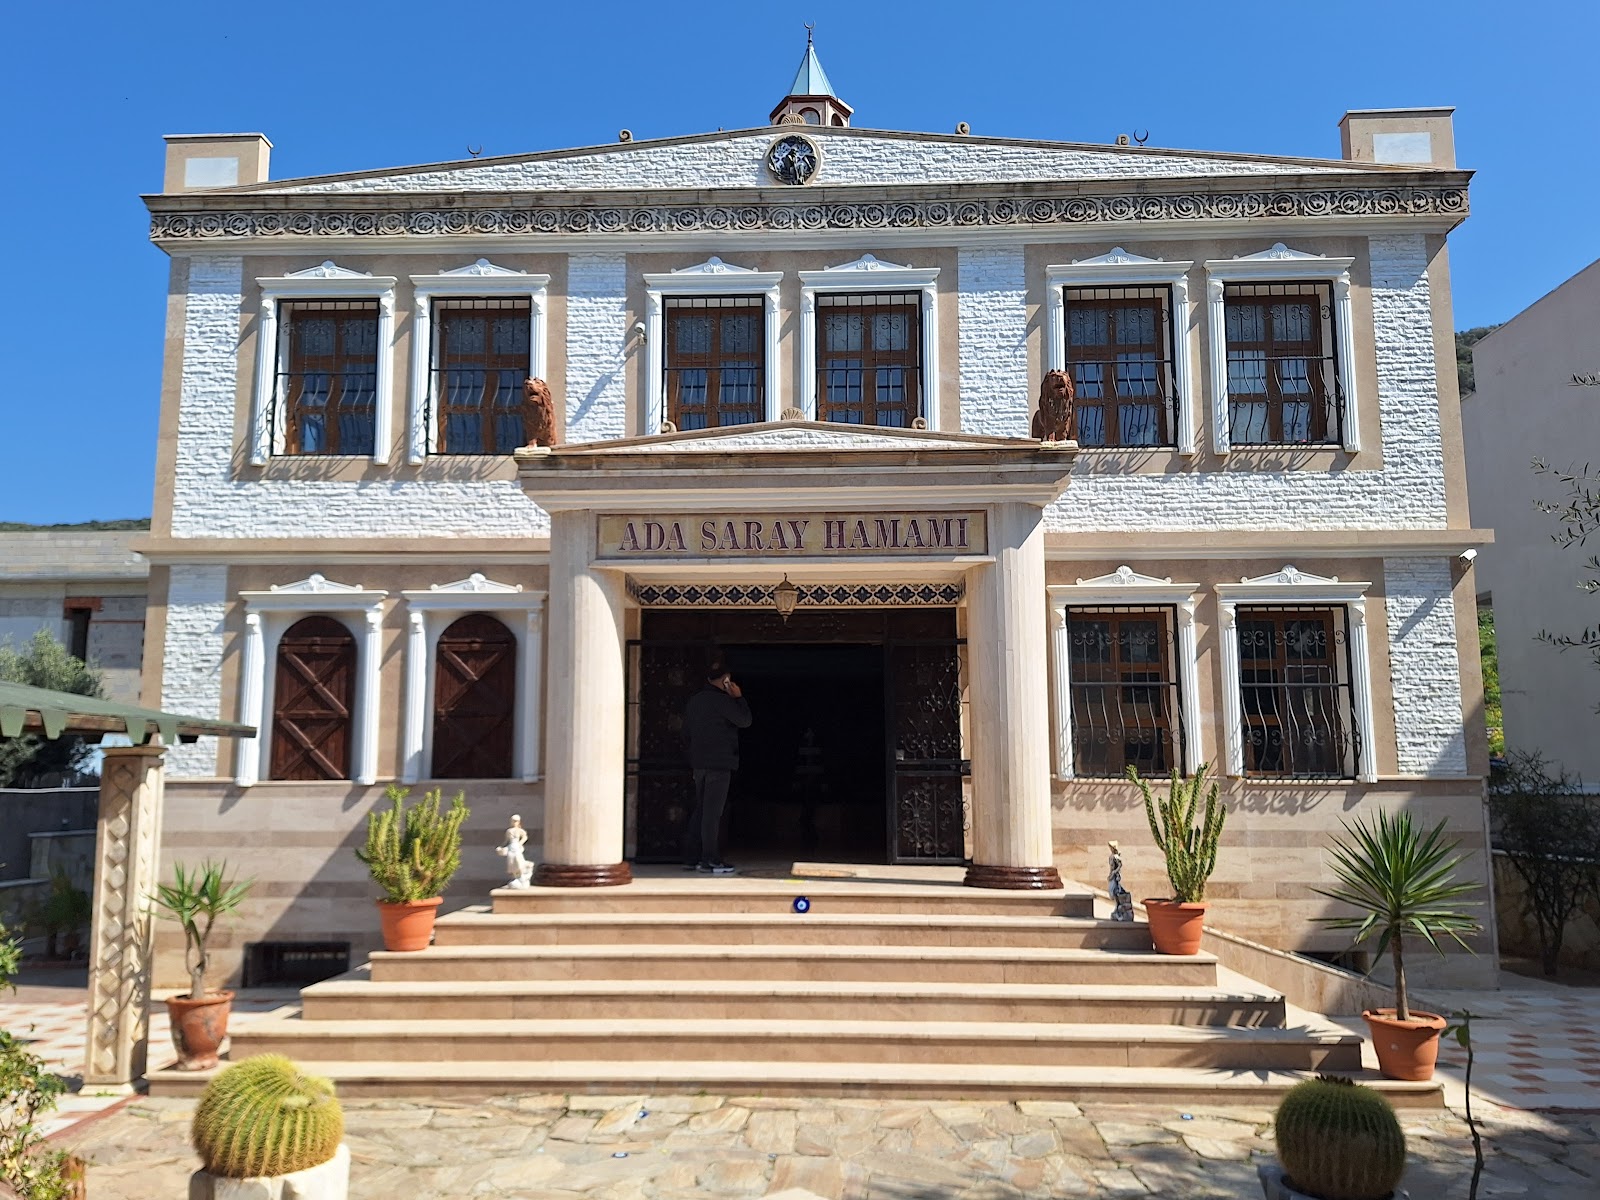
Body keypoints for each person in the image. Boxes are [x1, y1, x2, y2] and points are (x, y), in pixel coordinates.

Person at [682, 664, 752, 874]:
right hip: (719, 765)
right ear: (725, 680)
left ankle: (691, 857)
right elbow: (745, 721)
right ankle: (710, 859)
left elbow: (686, 732)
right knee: (712, 813)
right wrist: (739, 698)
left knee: (701, 810)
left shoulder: (695, 701)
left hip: (699, 764)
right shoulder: (723, 701)